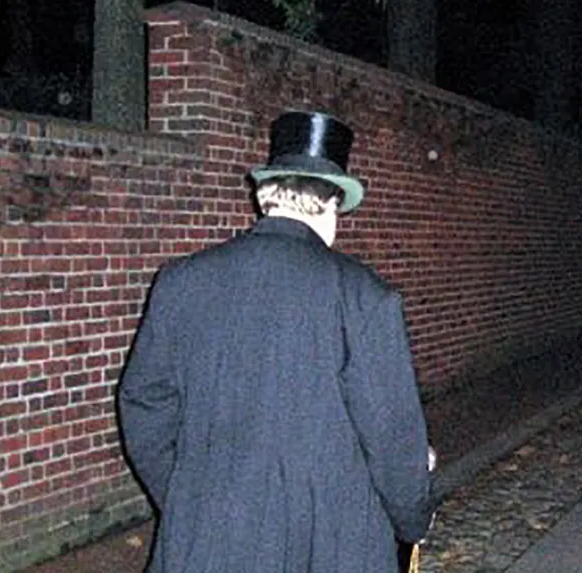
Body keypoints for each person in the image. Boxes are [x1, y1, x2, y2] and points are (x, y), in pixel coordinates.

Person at [118, 111, 435, 573]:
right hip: (333, 542)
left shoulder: (180, 282)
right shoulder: (363, 296)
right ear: (331, 205)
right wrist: (414, 518)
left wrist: (189, 498)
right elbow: (391, 435)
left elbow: (144, 405)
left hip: (211, 538)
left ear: (266, 195)